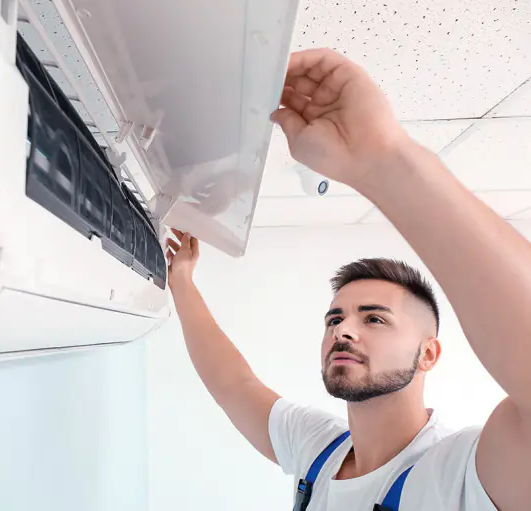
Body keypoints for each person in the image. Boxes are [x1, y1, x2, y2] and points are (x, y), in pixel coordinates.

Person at [165, 48, 530, 511]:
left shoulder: (464, 473)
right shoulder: (318, 448)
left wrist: (382, 156)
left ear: (429, 353)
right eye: (334, 317)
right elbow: (234, 384)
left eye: (374, 319)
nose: (342, 329)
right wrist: (182, 281)